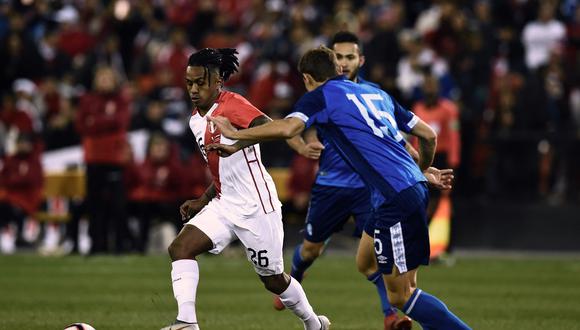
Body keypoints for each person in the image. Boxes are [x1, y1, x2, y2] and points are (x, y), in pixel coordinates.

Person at [208, 46, 471, 330]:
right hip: (405, 191)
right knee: (366, 260)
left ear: (308, 78)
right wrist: (419, 172)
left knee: (401, 295)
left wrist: (236, 132)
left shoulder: (321, 97)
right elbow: (427, 136)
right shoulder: (376, 94)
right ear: (338, 69)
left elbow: (287, 129)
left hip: (395, 198)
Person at [280, 31, 448, 330]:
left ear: (360, 60)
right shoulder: (320, 96)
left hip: (373, 190)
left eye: (349, 56)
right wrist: (303, 145)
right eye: (339, 56)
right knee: (315, 251)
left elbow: (396, 140)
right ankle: (293, 278)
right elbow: (295, 128)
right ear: (331, 61)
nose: (344, 62)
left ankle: (395, 316)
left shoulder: (373, 93)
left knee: (394, 274)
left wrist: (415, 166)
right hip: (332, 184)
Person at [161, 48, 330, 330]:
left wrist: (239, 142)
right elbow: (221, 169)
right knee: (180, 248)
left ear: (217, 82)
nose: (193, 89)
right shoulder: (195, 119)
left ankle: (314, 324)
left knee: (273, 279)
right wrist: (203, 200)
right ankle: (187, 323)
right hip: (224, 203)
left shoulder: (232, 104)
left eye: (200, 82)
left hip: (256, 205)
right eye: (189, 82)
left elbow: (271, 126)